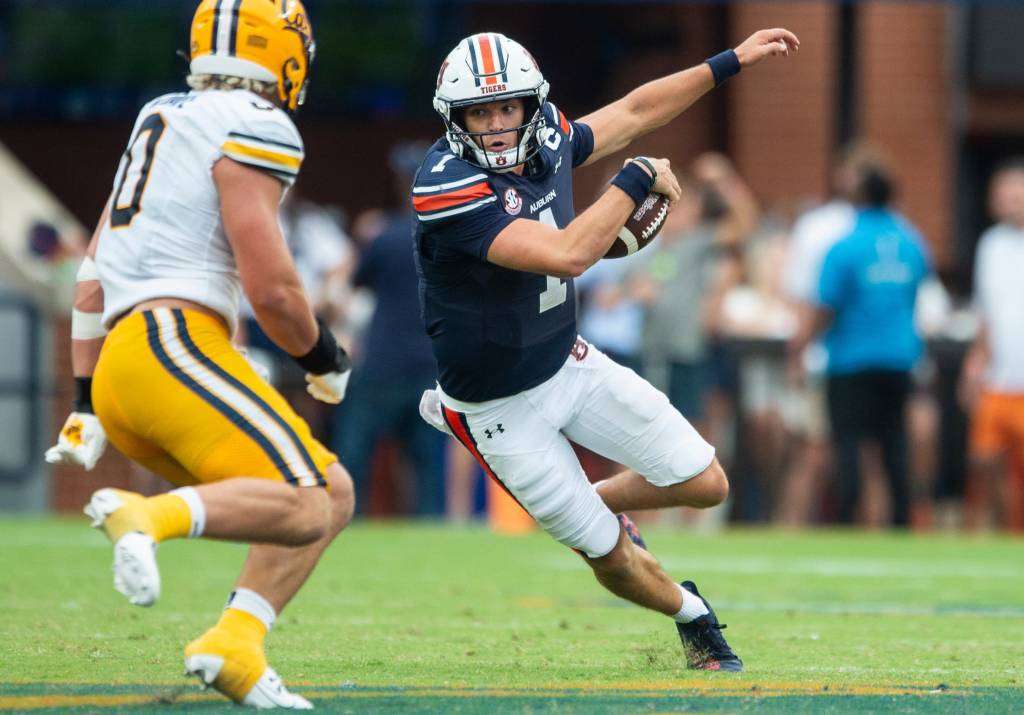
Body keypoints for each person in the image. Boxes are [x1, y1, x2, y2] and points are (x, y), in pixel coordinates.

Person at [414, 29, 799, 672]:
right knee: (611, 558)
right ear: (457, 120)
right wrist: (635, 176)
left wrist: (730, 62)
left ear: (529, 105)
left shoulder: (545, 141)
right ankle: (693, 616)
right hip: (494, 406)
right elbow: (568, 254)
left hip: (566, 359)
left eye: (508, 107)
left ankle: (588, 502)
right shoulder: (444, 183)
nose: (498, 125)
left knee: (706, 484)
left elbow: (635, 111)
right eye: (481, 112)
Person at [43, 1, 354, 707]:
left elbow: (91, 279)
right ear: (282, 51)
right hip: (174, 343)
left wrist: (85, 403)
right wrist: (324, 358)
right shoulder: (258, 124)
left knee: (329, 493)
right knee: (306, 502)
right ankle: (141, 515)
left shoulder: (162, 115)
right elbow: (272, 288)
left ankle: (233, 645)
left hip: (130, 365)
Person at [791, 157, 932, 528]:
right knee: (895, 445)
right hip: (901, 357)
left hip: (851, 360)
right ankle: (902, 523)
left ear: (856, 195)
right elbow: (917, 293)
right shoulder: (911, 240)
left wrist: (802, 348)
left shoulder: (846, 245)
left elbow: (825, 306)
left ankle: (847, 522)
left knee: (849, 444)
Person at [332, 141, 446, 516]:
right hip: (432, 363)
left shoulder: (385, 236)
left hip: (383, 363)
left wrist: (362, 239)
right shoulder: (451, 236)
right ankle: (432, 532)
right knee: (428, 465)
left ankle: (347, 519)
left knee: (355, 453)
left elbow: (349, 285)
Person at [959, 159, 1024, 530]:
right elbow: (987, 312)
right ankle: (1003, 535)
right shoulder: (991, 245)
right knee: (986, 461)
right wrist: (975, 364)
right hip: (1000, 377)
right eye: (1004, 193)